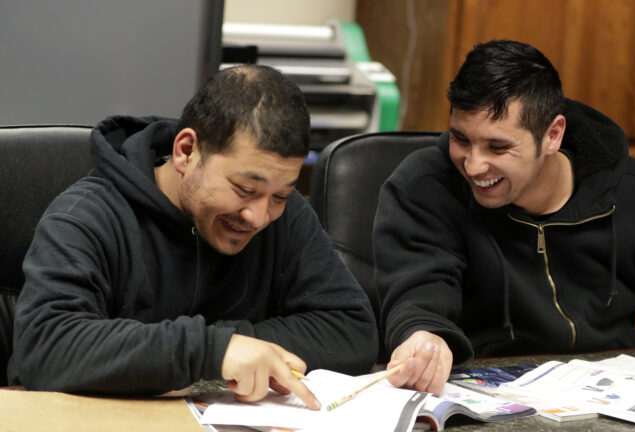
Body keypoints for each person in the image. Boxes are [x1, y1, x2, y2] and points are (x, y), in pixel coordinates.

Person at [374, 40, 635, 395]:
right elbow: (419, 292)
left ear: (552, 135)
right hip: (489, 389)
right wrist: (422, 336)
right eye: (461, 139)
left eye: (498, 147)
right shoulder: (425, 186)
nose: (473, 164)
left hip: (614, 390)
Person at [8, 64, 378, 408]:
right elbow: (44, 347)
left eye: (280, 195)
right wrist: (213, 352)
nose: (259, 216)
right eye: (244, 189)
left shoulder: (286, 216)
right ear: (186, 152)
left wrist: (236, 350)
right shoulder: (87, 216)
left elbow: (351, 330)